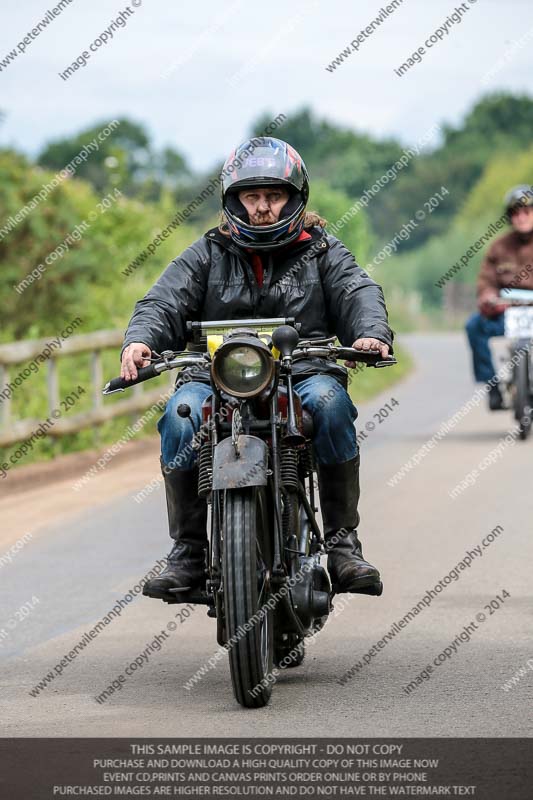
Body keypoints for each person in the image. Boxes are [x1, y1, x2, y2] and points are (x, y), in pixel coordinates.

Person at [120, 137, 393, 597]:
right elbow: (162, 301)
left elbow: (358, 292)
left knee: (330, 404)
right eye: (252, 197)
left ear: (294, 197)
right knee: (179, 416)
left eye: (273, 196)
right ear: (234, 200)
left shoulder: (321, 249)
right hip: (212, 377)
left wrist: (371, 333)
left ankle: (343, 546)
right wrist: (140, 340)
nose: (263, 208)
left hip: (303, 372)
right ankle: (187, 553)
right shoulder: (207, 252)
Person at [466, 184, 533, 409]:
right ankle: (493, 387)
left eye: (527, 211)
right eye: (516, 212)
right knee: (474, 326)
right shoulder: (499, 247)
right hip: (507, 312)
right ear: (509, 216)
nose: (521, 217)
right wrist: (488, 297)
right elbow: (486, 281)